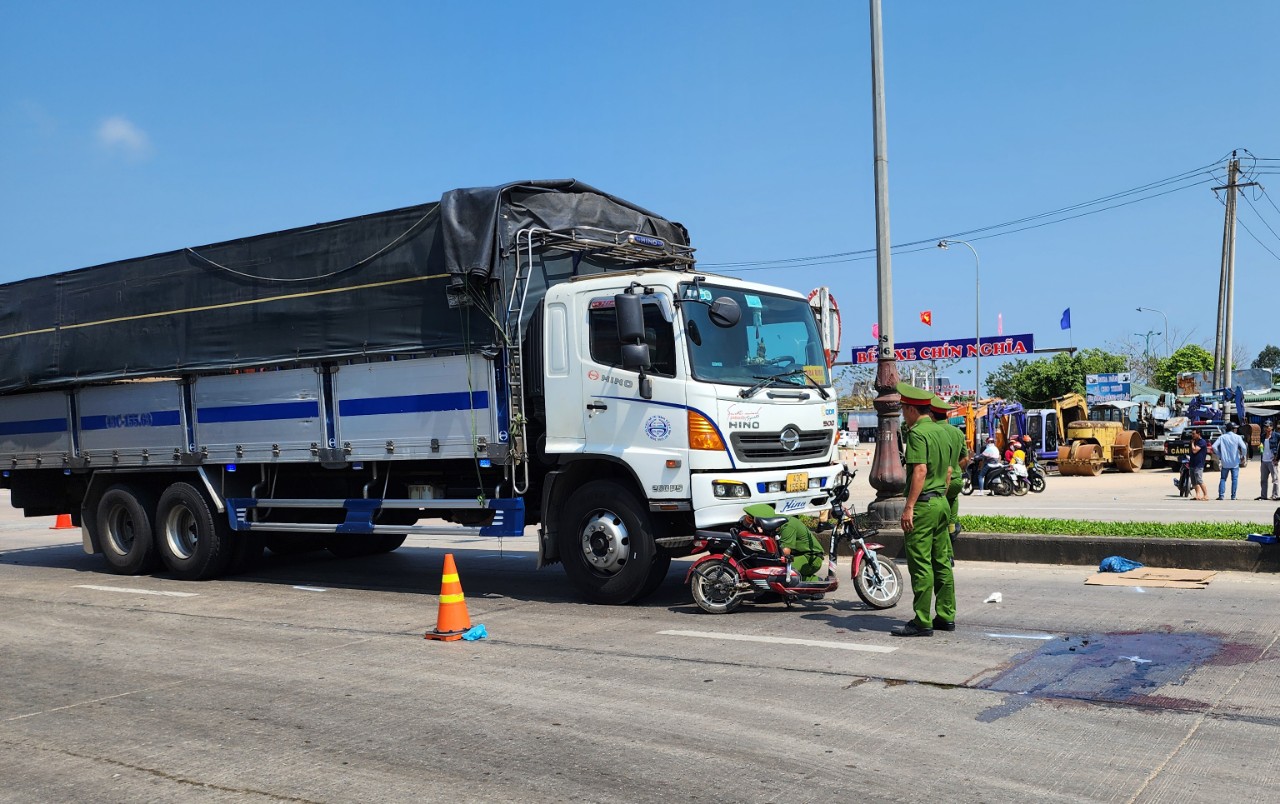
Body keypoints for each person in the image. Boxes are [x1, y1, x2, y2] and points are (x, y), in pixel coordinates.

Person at [892, 382, 958, 637]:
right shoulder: (944, 431)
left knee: (921, 564)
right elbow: (950, 471)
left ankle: (922, 621)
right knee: (941, 561)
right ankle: (946, 615)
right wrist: (940, 495)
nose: (902, 414)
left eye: (902, 409)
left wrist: (909, 507)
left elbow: (919, 470)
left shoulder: (917, 434)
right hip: (940, 502)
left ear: (910, 409)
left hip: (923, 506)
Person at [739, 503, 825, 582]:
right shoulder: (772, 522)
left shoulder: (787, 525)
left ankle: (814, 580)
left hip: (810, 558)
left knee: (777, 571)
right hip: (796, 555)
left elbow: (785, 552)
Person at [929, 395, 966, 545]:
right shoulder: (957, 432)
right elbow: (965, 457)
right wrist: (957, 468)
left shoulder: (932, 431)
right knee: (953, 499)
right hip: (956, 480)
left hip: (939, 481)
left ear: (931, 414)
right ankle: (952, 532)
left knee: (938, 515)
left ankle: (944, 543)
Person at [1211, 422, 1248, 501]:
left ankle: (1221, 495)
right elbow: (1244, 447)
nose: (1236, 429)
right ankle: (1233, 496)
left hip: (1225, 461)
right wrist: (1243, 456)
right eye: (1235, 428)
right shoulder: (1237, 437)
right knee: (1234, 479)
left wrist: (1219, 454)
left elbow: (1214, 446)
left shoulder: (1222, 437)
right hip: (1235, 462)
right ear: (1233, 429)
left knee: (1223, 478)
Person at [1257, 422, 1279, 501]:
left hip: (1272, 461)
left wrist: (1277, 458)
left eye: (1267, 427)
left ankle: (1275, 495)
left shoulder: (1276, 436)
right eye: (1265, 427)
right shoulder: (1262, 436)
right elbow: (1262, 446)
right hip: (1264, 461)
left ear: (1272, 427)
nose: (1266, 428)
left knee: (1275, 479)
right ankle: (1263, 496)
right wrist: (1260, 447)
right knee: (1263, 479)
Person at [1188, 428, 1209, 501]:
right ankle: (1197, 495)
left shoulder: (1202, 442)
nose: (1192, 435)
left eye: (1194, 434)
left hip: (1199, 464)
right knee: (1194, 481)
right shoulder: (1194, 441)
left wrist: (1192, 443)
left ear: (1198, 434)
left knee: (1199, 480)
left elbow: (1194, 450)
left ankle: (1206, 495)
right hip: (1192, 463)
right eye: (1192, 434)